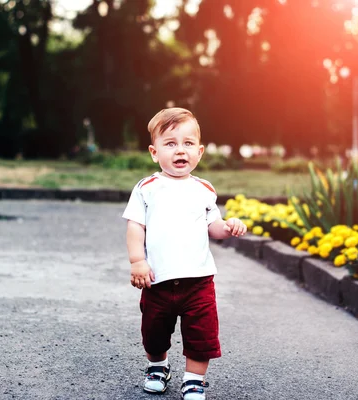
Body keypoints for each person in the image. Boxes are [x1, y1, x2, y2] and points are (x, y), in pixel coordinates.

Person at [122, 107, 247, 399]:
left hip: (199, 281)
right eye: (171, 143)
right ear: (154, 153)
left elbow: (212, 226)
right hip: (158, 280)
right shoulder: (147, 188)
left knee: (201, 333)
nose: (181, 150)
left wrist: (228, 227)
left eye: (188, 143)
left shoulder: (204, 189)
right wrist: (137, 261)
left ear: (200, 152)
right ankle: (158, 366)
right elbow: (135, 227)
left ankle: (193, 379)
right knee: (154, 331)